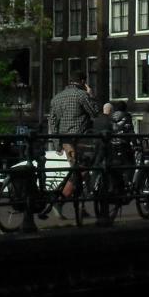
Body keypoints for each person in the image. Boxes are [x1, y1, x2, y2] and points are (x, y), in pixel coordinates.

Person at [47, 72, 99, 212]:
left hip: (65, 140)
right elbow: (95, 113)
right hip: (81, 139)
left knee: (76, 170)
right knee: (82, 170)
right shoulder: (82, 95)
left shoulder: (56, 98)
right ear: (82, 81)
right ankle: (60, 200)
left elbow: (53, 122)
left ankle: (80, 207)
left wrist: (57, 143)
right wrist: (91, 95)